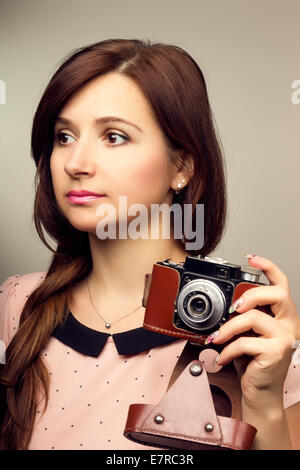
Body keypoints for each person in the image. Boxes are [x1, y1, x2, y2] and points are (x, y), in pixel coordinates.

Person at [0, 38, 300, 451]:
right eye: (64, 136)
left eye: (114, 137)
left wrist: (264, 404)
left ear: (182, 166)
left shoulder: (249, 334)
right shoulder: (17, 305)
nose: (75, 163)